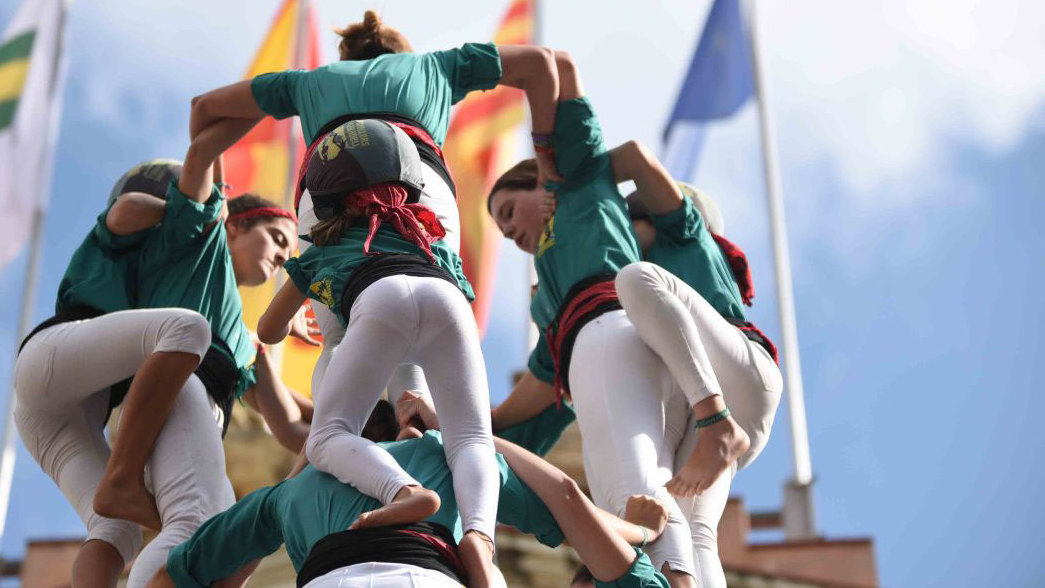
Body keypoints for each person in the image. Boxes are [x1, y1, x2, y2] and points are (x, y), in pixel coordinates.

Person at [188, 10, 561, 405]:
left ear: (348, 58)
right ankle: (415, 422)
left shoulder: (308, 82)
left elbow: (203, 109)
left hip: (326, 192)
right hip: (418, 183)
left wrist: (218, 204)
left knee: (338, 336)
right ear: (401, 51)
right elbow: (540, 63)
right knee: (419, 323)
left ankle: (339, 438)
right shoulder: (437, 66)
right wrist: (548, 163)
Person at [256, 118, 500, 586]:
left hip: (379, 298)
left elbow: (268, 330)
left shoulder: (323, 249)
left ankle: (404, 491)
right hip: (445, 299)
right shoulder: (427, 234)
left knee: (326, 437)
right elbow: (454, 293)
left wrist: (297, 318)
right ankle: (479, 536)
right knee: (471, 438)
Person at [485, 53, 696, 587]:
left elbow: (562, 68)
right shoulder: (548, 291)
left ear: (537, 183)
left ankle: (677, 579)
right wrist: (473, 422)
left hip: (612, 329)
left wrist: (549, 157)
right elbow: (540, 382)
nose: (507, 232)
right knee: (612, 491)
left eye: (508, 212)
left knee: (634, 482)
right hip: (588, 355)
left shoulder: (576, 182)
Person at [99, 132, 318, 586]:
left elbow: (289, 421)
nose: (281, 256)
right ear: (234, 226)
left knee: (221, 540)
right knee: (193, 524)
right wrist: (229, 119)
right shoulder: (203, 247)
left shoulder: (243, 343)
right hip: (170, 398)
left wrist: (366, 426)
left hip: (199, 418)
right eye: (277, 238)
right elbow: (207, 160)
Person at [148, 401, 672, 588]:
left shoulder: (284, 497)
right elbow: (565, 501)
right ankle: (481, 548)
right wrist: (646, 527)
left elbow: (173, 578)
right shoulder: (448, 457)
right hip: (426, 570)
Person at [13, 158, 212, 588]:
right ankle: (123, 477)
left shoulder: (155, 267)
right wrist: (182, 210)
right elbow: (128, 209)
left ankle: (120, 487)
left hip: (56, 416)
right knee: (187, 328)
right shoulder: (117, 225)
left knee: (115, 531)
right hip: (53, 356)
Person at [612, 178, 783, 588]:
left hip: (738, 378)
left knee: (636, 279)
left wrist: (579, 176)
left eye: (628, 223)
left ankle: (717, 421)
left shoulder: (685, 234)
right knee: (692, 531)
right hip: (712, 406)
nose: (622, 238)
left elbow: (639, 161)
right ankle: (716, 423)